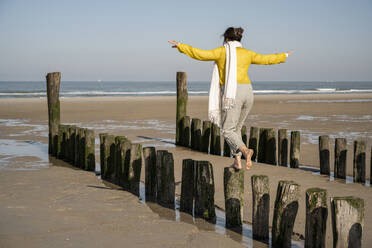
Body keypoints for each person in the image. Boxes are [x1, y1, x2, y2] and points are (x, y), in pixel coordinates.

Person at [168, 27, 293, 170]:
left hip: (233, 94)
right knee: (236, 129)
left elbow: (200, 54)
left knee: (227, 130)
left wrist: (181, 46)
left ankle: (246, 151)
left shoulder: (222, 51)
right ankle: (237, 162)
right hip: (248, 93)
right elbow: (266, 59)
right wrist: (284, 55)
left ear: (226, 38)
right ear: (239, 39)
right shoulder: (247, 53)